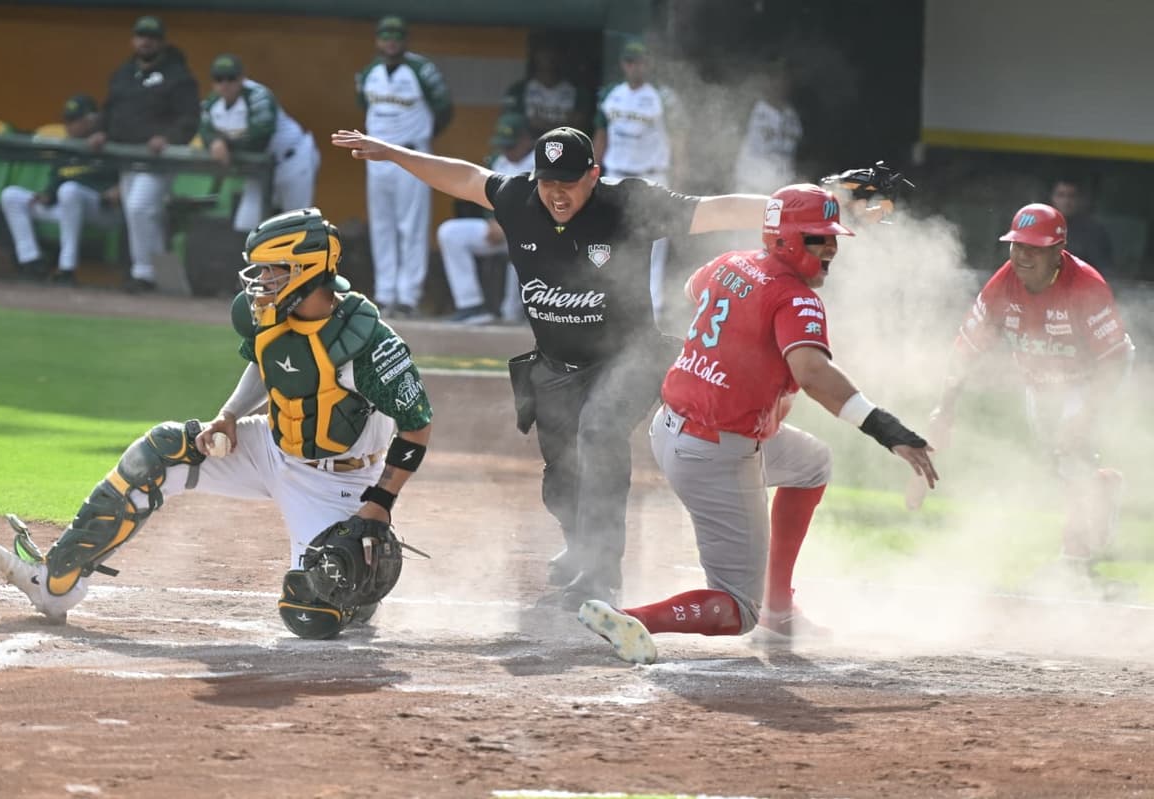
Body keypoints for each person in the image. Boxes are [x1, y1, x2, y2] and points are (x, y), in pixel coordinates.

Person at [332, 123, 775, 612]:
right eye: (548, 180)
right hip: (556, 365)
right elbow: (461, 177)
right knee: (560, 479)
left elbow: (716, 210)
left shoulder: (629, 205)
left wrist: (794, 205)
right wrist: (392, 153)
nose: (556, 193)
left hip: (630, 356)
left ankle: (602, 575)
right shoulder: (520, 198)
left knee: (600, 430)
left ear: (593, 175)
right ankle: (581, 544)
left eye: (568, 181)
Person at [0, 207, 434, 639]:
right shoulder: (270, 315)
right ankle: (56, 583)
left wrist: (377, 506)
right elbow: (268, 363)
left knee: (312, 613)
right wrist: (229, 416)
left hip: (342, 480)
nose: (260, 282)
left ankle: (358, 584)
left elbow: (416, 427)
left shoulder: (370, 345)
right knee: (160, 451)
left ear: (306, 270)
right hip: (273, 449)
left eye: (272, 270)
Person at [576, 183, 938, 664]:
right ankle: (632, 617)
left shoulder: (731, 263)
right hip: (714, 450)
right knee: (735, 610)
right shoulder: (795, 298)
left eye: (831, 237)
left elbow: (693, 289)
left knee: (812, 463)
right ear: (785, 239)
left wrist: (743, 351)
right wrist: (887, 430)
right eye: (816, 238)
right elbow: (812, 373)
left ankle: (780, 609)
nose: (830, 248)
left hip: (673, 429)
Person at [921, 202, 1133, 570]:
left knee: (1072, 448)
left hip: (1094, 374)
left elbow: (1113, 360)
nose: (1022, 256)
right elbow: (965, 351)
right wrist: (945, 408)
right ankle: (1103, 486)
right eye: (1017, 246)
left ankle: (1073, 559)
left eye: (1034, 249)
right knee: (1057, 459)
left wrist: (1084, 414)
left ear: (1057, 251)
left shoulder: (1086, 286)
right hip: (1040, 380)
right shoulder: (1001, 287)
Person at [88, 15, 199, 294]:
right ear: (133, 40)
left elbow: (189, 117)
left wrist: (169, 138)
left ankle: (144, 272)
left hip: (159, 159)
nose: (146, 41)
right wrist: (102, 131)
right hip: (128, 156)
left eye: (152, 37)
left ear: (162, 42)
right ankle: (159, 275)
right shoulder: (124, 73)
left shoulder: (178, 75)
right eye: (141, 36)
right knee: (140, 212)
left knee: (139, 207)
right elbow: (110, 108)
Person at [357, 15, 453, 319]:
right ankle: (385, 294)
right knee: (382, 226)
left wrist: (420, 139)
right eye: (385, 36)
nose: (391, 41)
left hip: (411, 155)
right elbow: (364, 105)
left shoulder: (421, 70)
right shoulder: (370, 72)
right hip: (376, 157)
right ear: (377, 40)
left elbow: (444, 109)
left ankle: (408, 296)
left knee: (411, 227)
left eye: (396, 36)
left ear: (405, 39)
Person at [593, 40, 686, 321]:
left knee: (656, 241)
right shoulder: (611, 94)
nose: (636, 66)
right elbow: (601, 134)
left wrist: (679, 176)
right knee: (607, 238)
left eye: (641, 61)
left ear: (649, 63)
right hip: (616, 173)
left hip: (651, 174)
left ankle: (654, 307)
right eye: (631, 61)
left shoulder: (664, 96)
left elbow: (679, 138)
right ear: (624, 64)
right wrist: (593, 169)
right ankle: (604, 301)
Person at [0, 94, 119, 285]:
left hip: (102, 211)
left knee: (69, 190)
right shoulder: (67, 146)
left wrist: (117, 190)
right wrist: (46, 196)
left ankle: (66, 268)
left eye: (74, 120)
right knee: (11, 195)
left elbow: (124, 180)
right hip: (68, 207)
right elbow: (55, 182)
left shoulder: (108, 142)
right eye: (67, 120)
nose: (68, 126)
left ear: (91, 120)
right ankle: (31, 262)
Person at [199, 53, 320, 233]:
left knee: (296, 228)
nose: (225, 84)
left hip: (292, 160)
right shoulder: (212, 103)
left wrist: (227, 146)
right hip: (260, 169)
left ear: (241, 78)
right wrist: (214, 141)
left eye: (231, 78)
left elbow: (260, 138)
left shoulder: (258, 95)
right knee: (247, 225)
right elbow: (204, 128)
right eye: (219, 79)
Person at [436, 112, 534, 325]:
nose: (507, 151)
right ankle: (471, 306)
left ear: (526, 140)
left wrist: (509, 225)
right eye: (504, 145)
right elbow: (486, 193)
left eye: (512, 145)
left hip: (533, 235)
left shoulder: (540, 162)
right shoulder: (498, 160)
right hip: (500, 231)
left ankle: (522, 314)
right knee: (450, 233)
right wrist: (492, 219)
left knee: (511, 314)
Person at [733, 59, 802, 194]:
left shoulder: (794, 117)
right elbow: (729, 144)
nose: (779, 84)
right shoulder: (750, 110)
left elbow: (797, 155)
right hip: (750, 187)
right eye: (774, 78)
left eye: (784, 79)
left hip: (781, 190)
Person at [501, 38, 590, 135]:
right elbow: (512, 125)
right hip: (528, 147)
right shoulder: (518, 90)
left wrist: (540, 123)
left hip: (566, 145)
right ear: (534, 55)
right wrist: (562, 125)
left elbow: (579, 124)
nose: (548, 57)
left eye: (553, 52)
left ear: (561, 56)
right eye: (543, 52)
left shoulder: (577, 91)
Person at [1049, 178, 1115, 277]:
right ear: (1052, 198)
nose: (1066, 201)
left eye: (1071, 196)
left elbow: (1103, 271)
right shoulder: (1040, 226)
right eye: (1061, 195)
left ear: (1079, 200)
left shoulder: (1094, 232)